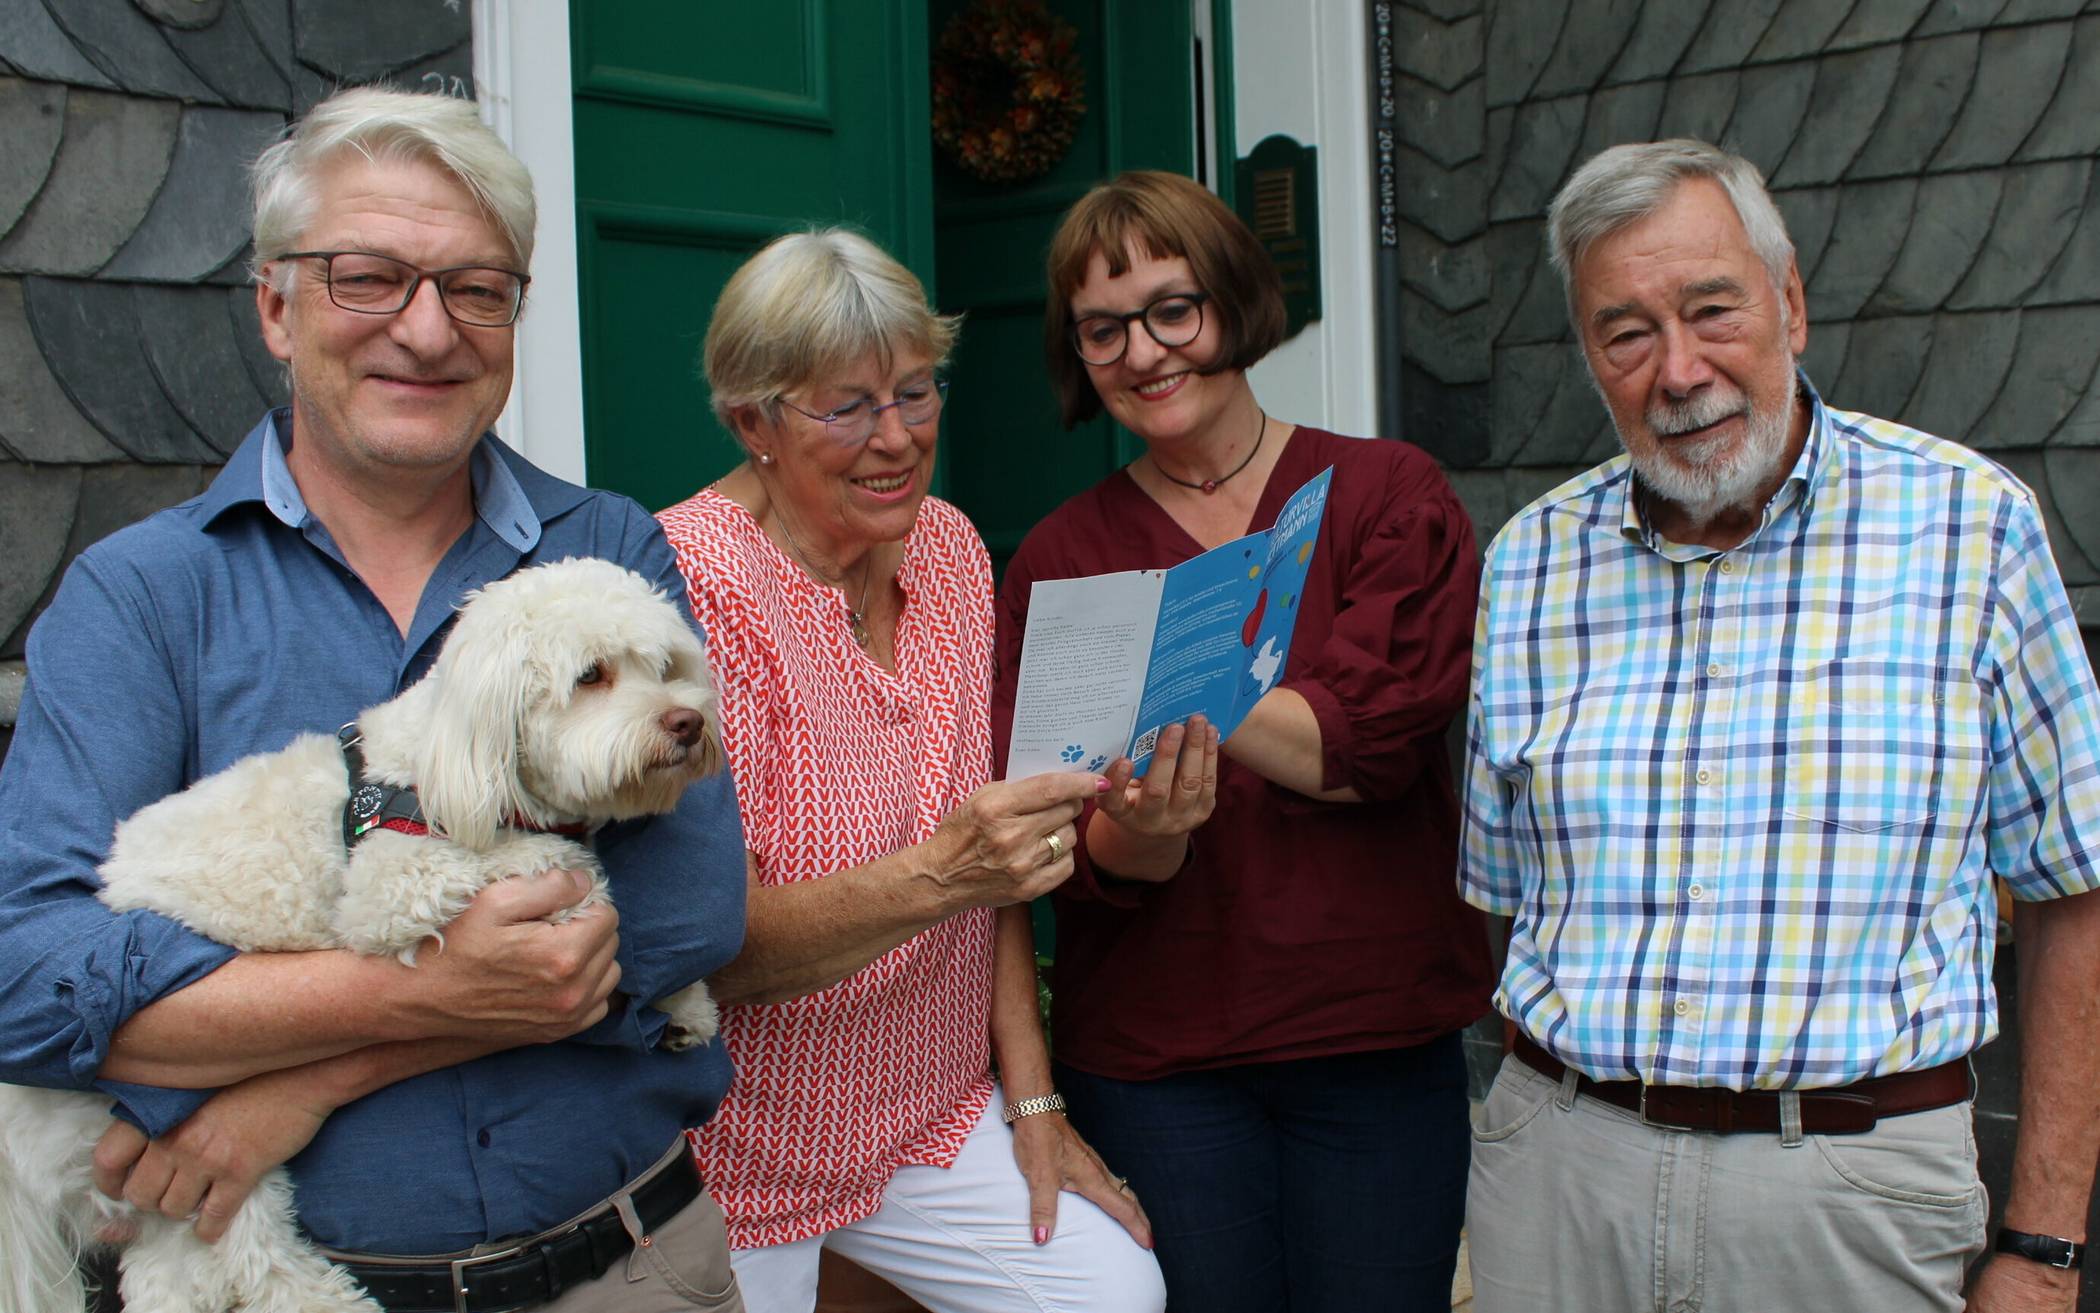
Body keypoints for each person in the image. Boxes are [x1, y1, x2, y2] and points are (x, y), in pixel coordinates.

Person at [0, 88, 749, 1310]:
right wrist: (421, 987)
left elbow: (686, 910)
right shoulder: (139, 596)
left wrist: (292, 1083)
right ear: (275, 307)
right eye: (368, 277)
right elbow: (30, 977)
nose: (427, 328)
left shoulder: (605, 548)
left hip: (633, 1265)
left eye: (476, 287)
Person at [1459, 138, 2100, 1313]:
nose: (1679, 368)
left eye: (1714, 309)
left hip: (1852, 1190)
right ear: (1592, 357)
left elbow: (2076, 890)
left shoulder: (1971, 529)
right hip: (1558, 1177)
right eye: (1626, 332)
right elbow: (1506, 898)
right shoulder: (1528, 564)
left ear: (1790, 302)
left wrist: (2046, 1243)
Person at [989, 169, 1495, 1313]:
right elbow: (1073, 845)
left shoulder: (1384, 491)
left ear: (1232, 302)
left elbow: (1365, 742)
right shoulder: (1062, 557)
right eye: (1103, 329)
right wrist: (1144, 831)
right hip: (1161, 1063)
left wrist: (1163, 640)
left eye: (1174, 308)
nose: (1144, 351)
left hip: (1371, 1040)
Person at [655, 228, 1168, 1313]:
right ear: (752, 421)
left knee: (1110, 1292)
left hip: (929, 1111)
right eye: (844, 407)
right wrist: (944, 870)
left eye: (915, 391)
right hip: (739, 1149)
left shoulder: (949, 543)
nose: (896, 438)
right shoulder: (686, 592)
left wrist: (1031, 1102)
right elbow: (706, 945)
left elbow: (1000, 866)